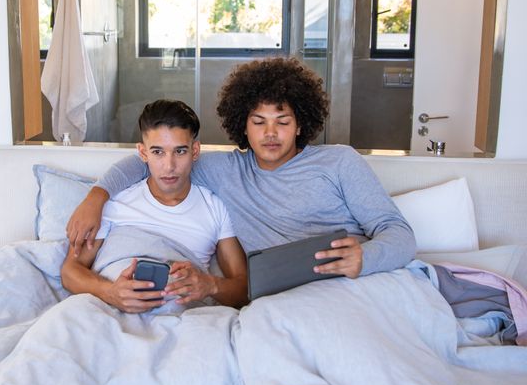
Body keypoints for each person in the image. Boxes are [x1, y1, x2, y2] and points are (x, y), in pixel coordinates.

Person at [66, 57, 416, 280]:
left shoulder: (340, 161)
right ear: (242, 126)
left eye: (282, 121)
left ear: (300, 124)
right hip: (282, 297)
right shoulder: (222, 169)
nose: (270, 133)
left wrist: (365, 258)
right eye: (258, 121)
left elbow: (399, 234)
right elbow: (150, 161)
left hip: (355, 282)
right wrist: (96, 197)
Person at [61, 99, 248, 313]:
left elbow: (243, 289)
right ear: (143, 153)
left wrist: (210, 285)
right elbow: (70, 270)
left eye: (180, 151)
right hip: (110, 312)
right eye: (158, 152)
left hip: (180, 319)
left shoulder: (215, 207)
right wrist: (109, 292)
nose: (169, 166)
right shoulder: (115, 201)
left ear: (195, 151)